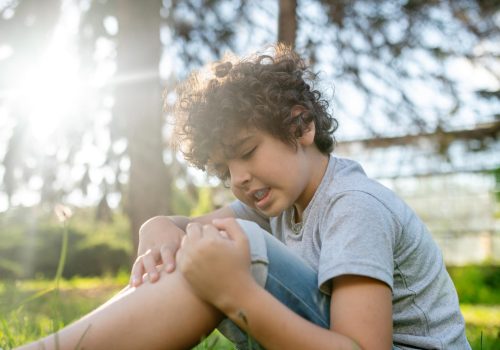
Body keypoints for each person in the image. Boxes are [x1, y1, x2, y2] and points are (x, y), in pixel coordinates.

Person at [17, 44, 471, 350]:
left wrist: (236, 292)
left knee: (232, 247)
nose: (238, 178)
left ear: (300, 126)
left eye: (247, 152)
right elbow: (182, 229)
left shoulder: (354, 206)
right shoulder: (273, 202)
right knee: (211, 242)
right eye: (223, 169)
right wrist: (154, 227)